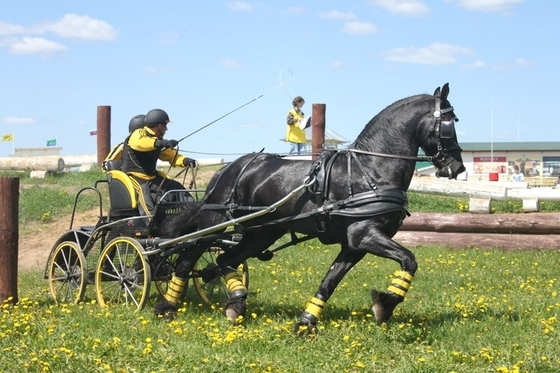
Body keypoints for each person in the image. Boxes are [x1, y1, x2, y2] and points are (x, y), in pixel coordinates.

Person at [121, 108, 197, 216]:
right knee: (144, 191)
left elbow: (170, 155)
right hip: (134, 177)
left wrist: (185, 161)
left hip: (151, 178)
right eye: (165, 126)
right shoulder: (139, 133)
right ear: (159, 126)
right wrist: (162, 143)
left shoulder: (157, 140)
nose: (166, 129)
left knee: (176, 187)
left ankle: (195, 213)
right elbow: (140, 143)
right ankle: (150, 222)